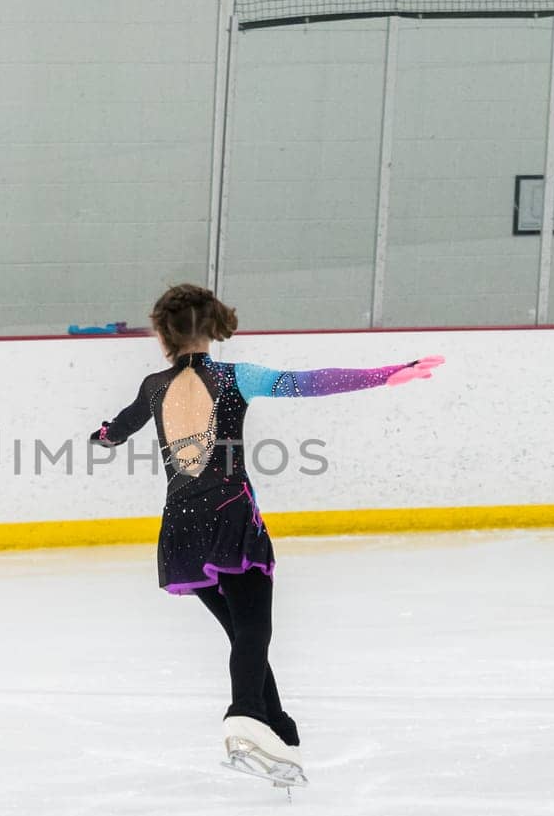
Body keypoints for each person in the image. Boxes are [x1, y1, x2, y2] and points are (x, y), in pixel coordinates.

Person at [89, 284, 442, 786]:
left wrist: (103, 436)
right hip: (231, 515)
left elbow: (117, 430)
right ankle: (245, 713)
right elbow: (309, 382)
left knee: (242, 632)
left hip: (182, 525)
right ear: (213, 327)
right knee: (255, 629)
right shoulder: (236, 378)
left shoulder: (152, 386)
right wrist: (386, 374)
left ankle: (278, 729)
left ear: (162, 335)